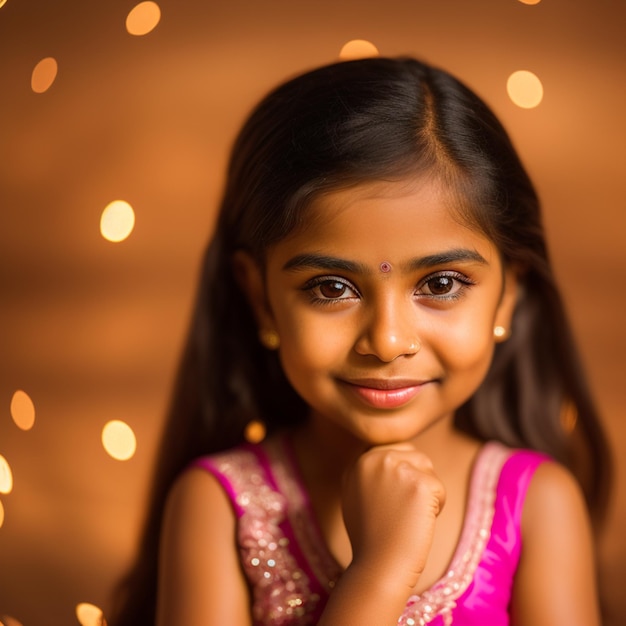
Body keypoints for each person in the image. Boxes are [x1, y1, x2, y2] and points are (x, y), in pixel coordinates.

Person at [108, 56, 611, 625]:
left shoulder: (537, 503)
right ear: (260, 297)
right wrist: (381, 570)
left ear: (508, 296)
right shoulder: (219, 505)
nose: (388, 341)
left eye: (442, 284)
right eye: (330, 288)